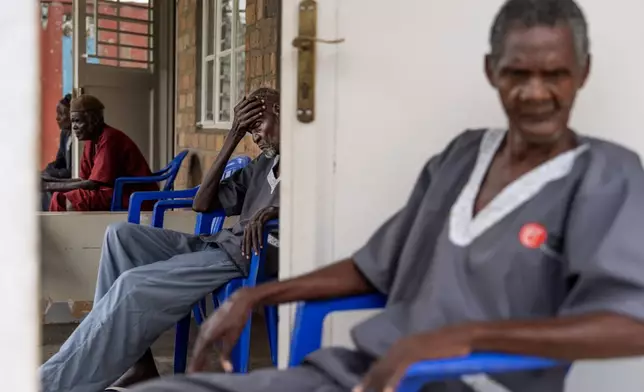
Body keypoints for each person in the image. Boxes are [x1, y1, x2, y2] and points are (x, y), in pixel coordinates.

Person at [131, 1, 644, 392]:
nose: (536, 91)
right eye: (517, 73)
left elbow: (629, 323)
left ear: (582, 72)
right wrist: (257, 294)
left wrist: (459, 340)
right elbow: (376, 264)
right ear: (492, 71)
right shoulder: (462, 156)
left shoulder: (605, 175)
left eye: (554, 74)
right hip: (357, 374)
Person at [39, 87, 281, 392]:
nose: (255, 138)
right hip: (217, 244)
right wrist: (232, 136)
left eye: (257, 126)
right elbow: (202, 203)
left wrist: (276, 210)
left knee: (132, 285)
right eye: (249, 131)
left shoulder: (306, 168)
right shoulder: (263, 165)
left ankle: (49, 384)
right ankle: (137, 366)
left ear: (280, 111)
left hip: (244, 256)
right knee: (120, 235)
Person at [42, 94, 158, 211]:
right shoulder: (91, 142)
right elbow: (84, 181)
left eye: (77, 121)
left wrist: (48, 186)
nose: (74, 127)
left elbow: (92, 184)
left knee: (74, 200)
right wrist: (49, 181)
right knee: (58, 197)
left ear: (95, 120)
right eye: (72, 122)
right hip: (112, 191)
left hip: (133, 195)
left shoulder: (110, 138)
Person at [41, 94, 73, 210]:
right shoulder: (65, 134)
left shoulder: (80, 139)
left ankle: (50, 215)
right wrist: (48, 170)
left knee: (44, 188)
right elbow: (59, 161)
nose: (57, 118)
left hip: (72, 179)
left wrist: (51, 174)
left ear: (72, 115)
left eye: (61, 114)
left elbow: (72, 172)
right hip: (62, 175)